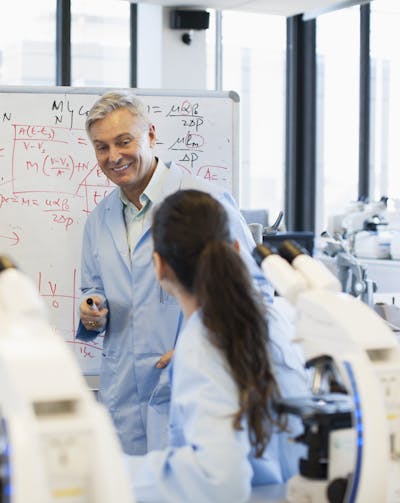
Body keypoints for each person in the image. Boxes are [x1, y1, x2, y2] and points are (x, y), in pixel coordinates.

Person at [77, 90, 273, 454]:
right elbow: (94, 288)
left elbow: (255, 293)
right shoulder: (98, 220)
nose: (113, 157)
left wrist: (202, 347)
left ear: (150, 135)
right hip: (123, 395)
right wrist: (92, 309)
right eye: (101, 148)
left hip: (192, 383)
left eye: (124, 142)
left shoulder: (204, 201)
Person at [127, 189, 307, 502]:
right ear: (237, 249)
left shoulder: (203, 344)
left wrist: (117, 471)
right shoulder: (274, 321)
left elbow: (219, 480)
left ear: (159, 266)